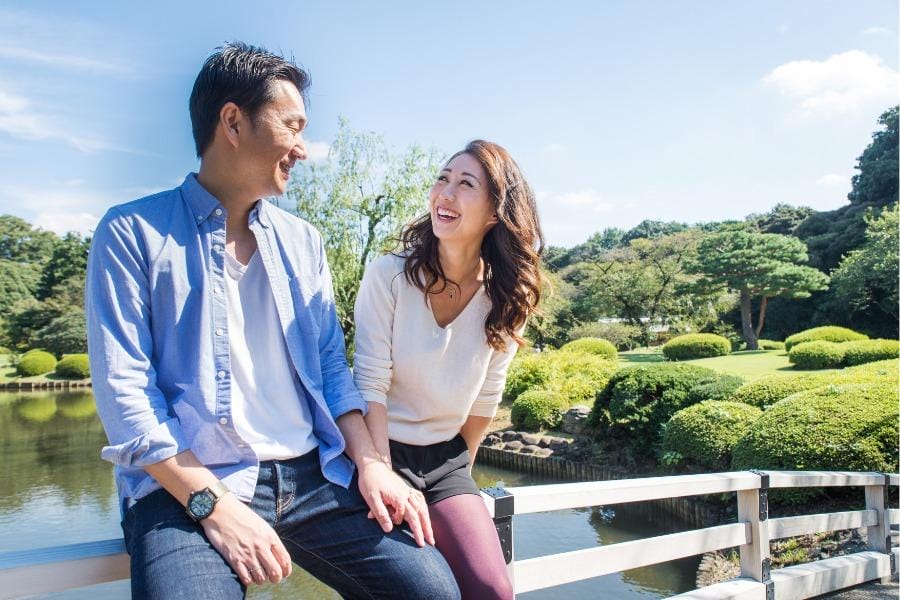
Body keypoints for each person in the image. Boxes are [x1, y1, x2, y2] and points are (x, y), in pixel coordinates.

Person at [85, 42, 459, 600]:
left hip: (314, 476)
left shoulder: (302, 241)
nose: (303, 149)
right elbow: (127, 398)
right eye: (292, 126)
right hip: (188, 484)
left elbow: (332, 365)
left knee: (431, 591)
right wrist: (211, 505)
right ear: (232, 122)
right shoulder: (131, 233)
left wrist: (373, 463)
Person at [353, 140, 545, 599]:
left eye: (465, 184)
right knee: (415, 588)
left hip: (445, 462)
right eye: (443, 178)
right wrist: (383, 474)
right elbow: (369, 386)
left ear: (495, 212)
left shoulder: (507, 297)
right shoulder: (389, 276)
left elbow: (486, 398)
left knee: (493, 590)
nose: (445, 192)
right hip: (380, 453)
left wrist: (459, 476)